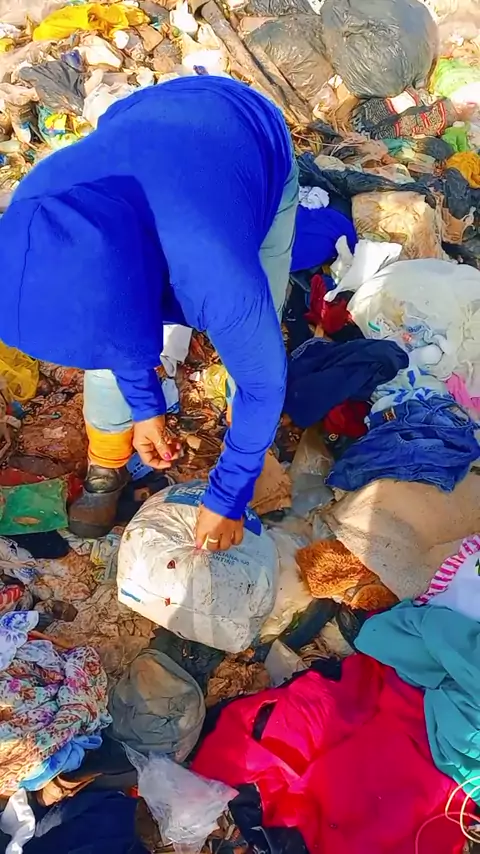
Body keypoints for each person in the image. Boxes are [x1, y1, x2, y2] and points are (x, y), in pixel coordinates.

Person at [0, 75, 298, 550]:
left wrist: (229, 495)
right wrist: (146, 409)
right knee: (104, 348)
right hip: (143, 119)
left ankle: (250, 452)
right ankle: (107, 462)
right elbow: (108, 328)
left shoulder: (218, 276)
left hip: (248, 132)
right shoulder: (36, 213)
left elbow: (264, 383)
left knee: (260, 327)